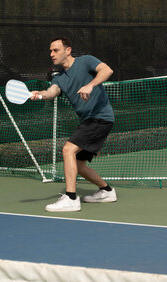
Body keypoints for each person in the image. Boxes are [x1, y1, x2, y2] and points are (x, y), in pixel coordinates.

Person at [31, 37, 117, 212]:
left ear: (68, 50)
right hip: (89, 121)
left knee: (68, 149)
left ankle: (71, 198)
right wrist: (38, 94)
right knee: (79, 165)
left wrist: (91, 85)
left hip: (100, 117)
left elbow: (107, 70)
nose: (51, 54)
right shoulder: (59, 78)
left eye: (55, 50)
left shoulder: (86, 61)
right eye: (50, 51)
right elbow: (51, 93)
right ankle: (107, 191)